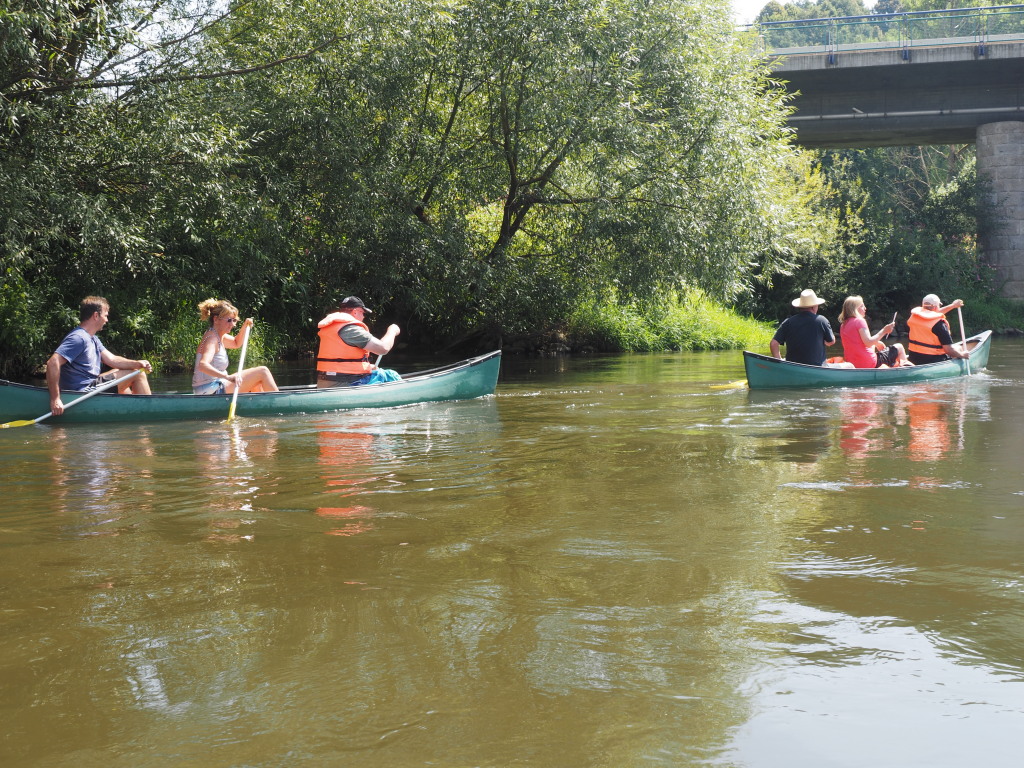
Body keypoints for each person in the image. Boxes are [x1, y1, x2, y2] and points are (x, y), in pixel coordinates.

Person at [46, 296, 153, 416]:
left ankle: (130, 410)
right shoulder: (79, 338)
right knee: (138, 374)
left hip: (91, 384)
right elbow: (53, 363)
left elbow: (113, 360)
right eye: (105, 315)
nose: (106, 320)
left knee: (132, 370)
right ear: (96, 316)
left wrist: (137, 363)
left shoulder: (93, 339)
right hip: (81, 392)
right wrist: (55, 399)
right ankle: (148, 413)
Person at [192, 299, 279, 395]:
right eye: (229, 320)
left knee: (256, 382)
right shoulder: (212, 339)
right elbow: (203, 365)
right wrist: (227, 377)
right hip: (210, 390)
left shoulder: (218, 336)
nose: (233, 324)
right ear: (216, 319)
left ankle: (262, 403)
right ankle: (278, 401)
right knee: (263, 371)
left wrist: (245, 326)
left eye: (234, 320)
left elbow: (236, 343)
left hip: (212, 387)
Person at [315, 296, 401, 387]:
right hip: (344, 383)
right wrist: (392, 330)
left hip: (324, 382)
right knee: (390, 375)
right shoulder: (351, 329)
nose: (363, 316)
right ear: (355, 311)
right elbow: (383, 348)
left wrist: (366, 367)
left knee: (375, 371)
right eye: (363, 313)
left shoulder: (332, 326)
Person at [770, 289, 846, 367]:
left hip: (793, 367)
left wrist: (779, 363)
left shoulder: (788, 322)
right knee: (849, 365)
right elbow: (831, 342)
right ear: (813, 307)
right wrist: (821, 341)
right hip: (818, 368)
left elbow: (773, 344)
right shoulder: (822, 320)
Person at [838, 295, 912, 369]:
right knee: (899, 347)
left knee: (874, 348)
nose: (865, 308)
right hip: (868, 363)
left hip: (852, 364)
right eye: (862, 306)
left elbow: (858, 343)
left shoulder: (843, 325)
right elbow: (868, 342)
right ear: (855, 309)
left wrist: (876, 343)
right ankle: (905, 371)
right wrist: (884, 330)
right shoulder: (859, 321)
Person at [907, 294, 970, 365]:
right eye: (939, 306)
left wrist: (953, 305)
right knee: (958, 348)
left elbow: (932, 313)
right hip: (933, 360)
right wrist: (962, 355)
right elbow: (949, 350)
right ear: (935, 307)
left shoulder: (914, 317)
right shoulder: (939, 324)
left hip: (913, 358)